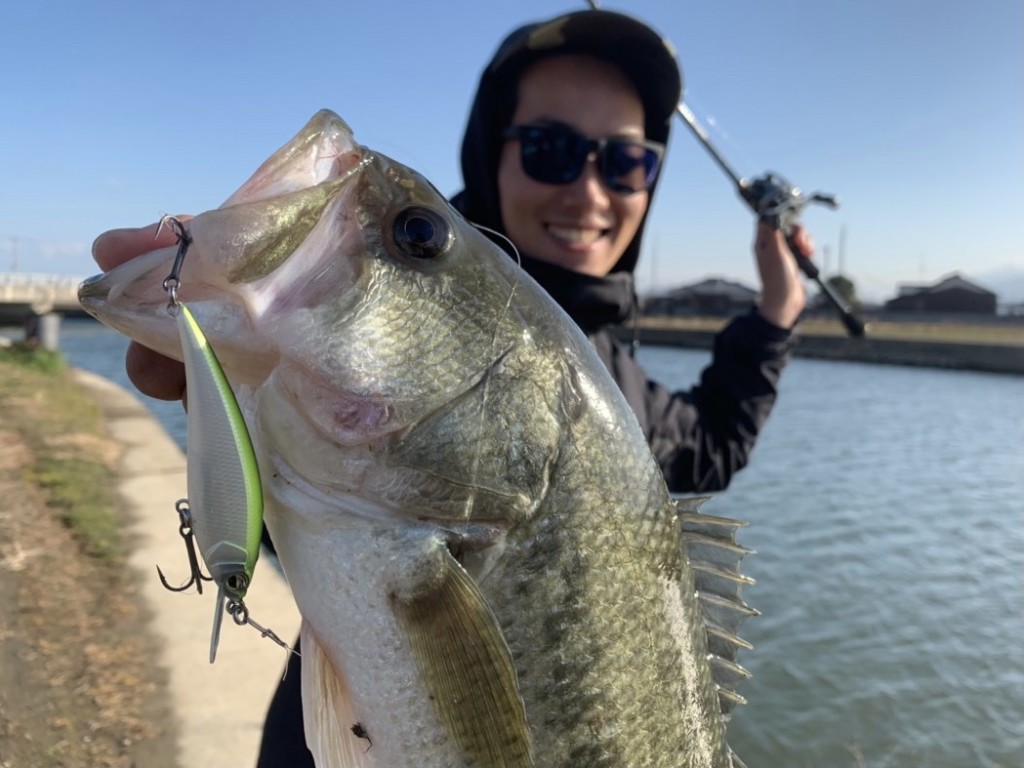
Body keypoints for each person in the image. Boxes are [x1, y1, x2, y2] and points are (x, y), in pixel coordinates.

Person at [92, 9, 813, 766]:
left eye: (627, 163)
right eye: (551, 150)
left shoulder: (616, 391)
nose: (590, 191)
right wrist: (242, 432)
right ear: (489, 152)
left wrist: (779, 309)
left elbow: (716, 442)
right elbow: (334, 521)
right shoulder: (513, 361)